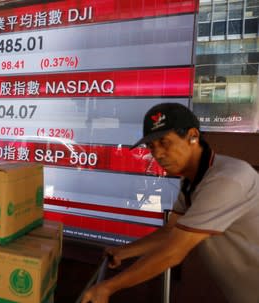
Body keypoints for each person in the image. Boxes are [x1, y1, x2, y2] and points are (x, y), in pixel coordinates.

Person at [81, 103, 259, 303]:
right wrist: (126, 251)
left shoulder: (227, 180)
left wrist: (107, 288)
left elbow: (174, 251)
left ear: (193, 136)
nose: (157, 154)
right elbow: (171, 231)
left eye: (164, 143)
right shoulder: (192, 180)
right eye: (151, 147)